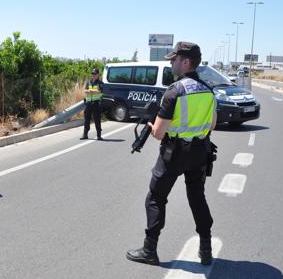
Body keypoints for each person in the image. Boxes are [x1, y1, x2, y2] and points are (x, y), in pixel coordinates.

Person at [126, 42, 217, 266]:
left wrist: (151, 122)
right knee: (197, 198)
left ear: (185, 62)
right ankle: (206, 250)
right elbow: (212, 125)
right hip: (199, 152)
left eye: (174, 59)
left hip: (174, 154)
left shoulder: (174, 91)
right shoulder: (208, 90)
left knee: (156, 198)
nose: (171, 63)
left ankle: (149, 250)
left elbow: (158, 132)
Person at [81, 68, 104, 140]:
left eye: (95, 74)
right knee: (87, 119)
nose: (93, 75)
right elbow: (85, 90)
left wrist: (90, 91)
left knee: (97, 119)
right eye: (92, 74)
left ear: (98, 75)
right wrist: (90, 91)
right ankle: (85, 134)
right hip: (88, 103)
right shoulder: (89, 82)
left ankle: (99, 135)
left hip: (96, 103)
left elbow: (98, 91)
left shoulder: (100, 83)